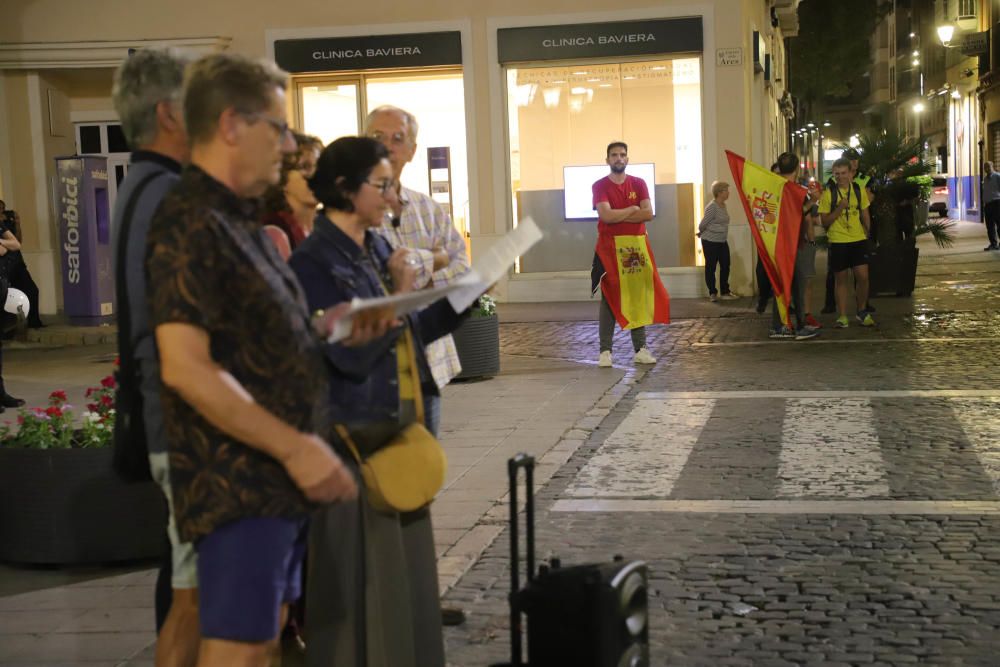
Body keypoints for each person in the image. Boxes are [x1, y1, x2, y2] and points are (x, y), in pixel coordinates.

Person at [145, 53, 360, 667]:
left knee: (261, 644)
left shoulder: (235, 219)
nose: (290, 145)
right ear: (232, 125)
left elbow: (248, 337)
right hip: (239, 482)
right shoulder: (189, 219)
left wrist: (327, 326)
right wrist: (295, 446)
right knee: (237, 650)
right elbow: (185, 365)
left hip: (272, 484)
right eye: (279, 127)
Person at [290, 136, 467, 667]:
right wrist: (393, 303)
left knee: (404, 587)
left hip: (393, 434)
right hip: (351, 444)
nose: (393, 198)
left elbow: (408, 332)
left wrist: (460, 298)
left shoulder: (377, 248)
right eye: (382, 185)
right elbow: (341, 357)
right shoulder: (313, 261)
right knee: (360, 591)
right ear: (344, 188)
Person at [110, 47, 199, 667]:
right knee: (192, 599)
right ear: (171, 113)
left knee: (186, 583)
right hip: (186, 421)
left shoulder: (145, 185)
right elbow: (181, 331)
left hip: (171, 415)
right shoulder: (168, 193)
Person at [365, 105, 470, 437]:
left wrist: (415, 273)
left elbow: (460, 269)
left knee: (424, 469)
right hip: (376, 369)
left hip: (427, 362)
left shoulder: (427, 209)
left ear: (411, 151)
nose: (387, 146)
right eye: (377, 137)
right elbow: (377, 278)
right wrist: (433, 259)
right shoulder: (356, 209)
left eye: (398, 138)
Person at [591, 141, 666, 368]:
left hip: (635, 247)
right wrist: (633, 210)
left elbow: (649, 214)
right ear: (607, 160)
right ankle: (605, 352)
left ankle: (640, 349)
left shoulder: (639, 183)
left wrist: (621, 214)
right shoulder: (600, 186)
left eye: (623, 155)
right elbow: (606, 217)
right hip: (609, 249)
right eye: (614, 155)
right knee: (609, 298)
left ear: (627, 158)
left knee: (637, 296)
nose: (619, 158)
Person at [818, 157, 874, 328]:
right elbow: (825, 221)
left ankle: (862, 311)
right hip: (838, 241)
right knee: (841, 279)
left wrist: (867, 230)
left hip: (858, 240)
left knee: (863, 277)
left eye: (843, 173)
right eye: (837, 174)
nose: (840, 177)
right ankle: (842, 316)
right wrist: (840, 208)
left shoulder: (858, 190)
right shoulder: (829, 194)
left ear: (851, 173)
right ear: (833, 175)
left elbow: (865, 212)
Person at [768, 152, 819, 341]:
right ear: (797, 168)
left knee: (781, 284)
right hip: (792, 243)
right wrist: (813, 201)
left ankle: (781, 325)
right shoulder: (797, 191)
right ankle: (795, 326)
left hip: (777, 243)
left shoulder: (775, 188)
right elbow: (799, 214)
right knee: (797, 284)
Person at [0, 200, 43, 329]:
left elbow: (18, 241)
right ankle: (7, 328)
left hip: (17, 262)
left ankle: (34, 321)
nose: (1, 210)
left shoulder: (7, 222)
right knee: (5, 296)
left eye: (3, 208)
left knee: (32, 290)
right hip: (4, 266)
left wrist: (17, 223)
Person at [698, 181, 737, 302]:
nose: (728, 192)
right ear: (720, 193)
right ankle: (712, 293)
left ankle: (725, 291)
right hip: (710, 241)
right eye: (726, 190)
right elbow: (702, 225)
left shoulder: (723, 205)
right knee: (711, 267)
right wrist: (703, 232)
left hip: (722, 241)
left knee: (726, 265)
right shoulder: (712, 207)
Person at [982, 161, 1000, 251]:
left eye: (988, 167)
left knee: (999, 224)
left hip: (997, 203)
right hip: (988, 205)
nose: (987, 169)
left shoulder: (997, 176)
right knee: (989, 226)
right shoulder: (985, 179)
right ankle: (993, 244)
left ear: (992, 166)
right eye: (985, 167)